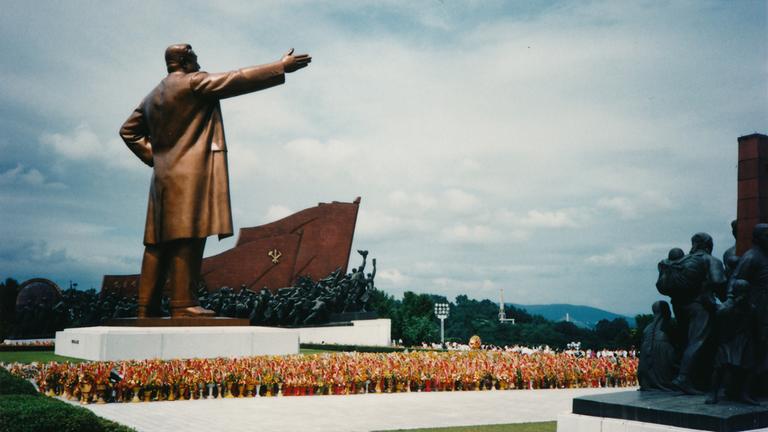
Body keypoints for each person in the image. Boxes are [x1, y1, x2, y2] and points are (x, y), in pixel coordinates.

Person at [120, 44, 311, 318]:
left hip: (162, 178)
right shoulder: (193, 82)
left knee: (157, 242)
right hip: (190, 174)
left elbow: (128, 131)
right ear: (185, 61)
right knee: (189, 235)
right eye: (194, 56)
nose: (199, 60)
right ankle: (182, 304)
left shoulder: (152, 97)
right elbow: (236, 78)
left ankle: (145, 306)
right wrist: (280, 66)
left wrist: (156, 157)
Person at [656, 233, 726, 394]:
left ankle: (692, 378)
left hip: (679, 306)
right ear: (709, 245)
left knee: (686, 341)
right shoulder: (710, 260)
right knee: (698, 341)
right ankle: (683, 378)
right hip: (700, 306)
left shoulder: (683, 261)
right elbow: (718, 281)